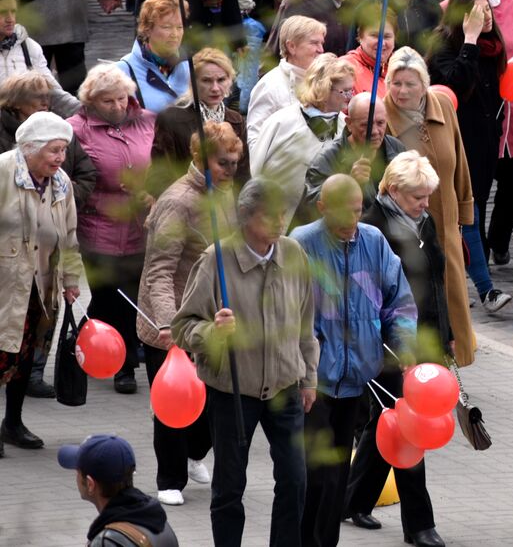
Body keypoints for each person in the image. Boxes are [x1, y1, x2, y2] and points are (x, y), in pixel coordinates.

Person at [172, 177, 318, 547]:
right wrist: (213, 333)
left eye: (282, 213)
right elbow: (182, 327)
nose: (279, 221)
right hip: (233, 390)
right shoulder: (215, 260)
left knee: (295, 479)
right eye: (269, 215)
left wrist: (309, 377)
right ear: (245, 217)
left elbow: (306, 322)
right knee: (229, 486)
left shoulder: (294, 254)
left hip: (285, 386)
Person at [290, 175, 416, 547]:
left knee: (336, 472)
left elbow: (399, 299)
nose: (351, 221)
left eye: (358, 212)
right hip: (312, 380)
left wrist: (403, 342)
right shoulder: (302, 245)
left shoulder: (373, 242)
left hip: (356, 377)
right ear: (322, 208)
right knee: (314, 474)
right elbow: (289, 314)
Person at [343, 153, 455, 546]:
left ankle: (352, 499)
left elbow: (436, 281)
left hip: (425, 338)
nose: (425, 204)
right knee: (411, 424)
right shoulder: (373, 229)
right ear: (392, 190)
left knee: (385, 421)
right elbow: (367, 296)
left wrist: (447, 333)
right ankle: (419, 524)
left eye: (427, 196)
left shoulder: (423, 221)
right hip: (390, 343)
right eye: (417, 197)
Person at [137, 122, 239, 506]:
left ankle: (195, 453)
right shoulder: (177, 202)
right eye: (223, 162)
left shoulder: (226, 194)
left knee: (216, 400)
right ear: (200, 158)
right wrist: (168, 321)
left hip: (215, 318)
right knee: (172, 402)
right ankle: (170, 478)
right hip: (173, 320)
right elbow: (158, 271)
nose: (231, 170)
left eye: (235, 162)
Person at [384, 47, 487, 334]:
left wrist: (465, 211)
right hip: (409, 230)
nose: (402, 91)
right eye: (396, 83)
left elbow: (460, 159)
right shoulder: (383, 118)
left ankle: (456, 359)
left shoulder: (442, 105)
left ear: (424, 85)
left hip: (449, 224)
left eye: (410, 84)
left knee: (452, 298)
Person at [69, 64, 158, 394]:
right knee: (110, 294)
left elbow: (161, 163)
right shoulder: (75, 129)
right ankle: (124, 367)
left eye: (122, 99)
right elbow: (73, 178)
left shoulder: (147, 121)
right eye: (108, 102)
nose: (118, 107)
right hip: (98, 227)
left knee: (132, 293)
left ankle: (86, 338)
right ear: (91, 101)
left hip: (140, 225)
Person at [448, 0, 513, 265]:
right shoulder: (449, 11)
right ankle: (480, 250)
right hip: (475, 115)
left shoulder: (512, 2)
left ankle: (499, 237)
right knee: (477, 190)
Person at [423, 0, 511, 311]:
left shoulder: (493, 48)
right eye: (476, 12)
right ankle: (486, 289)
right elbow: (454, 85)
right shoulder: (445, 46)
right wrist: (470, 40)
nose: (485, 16)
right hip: (455, 143)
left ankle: (461, 280)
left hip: (485, 143)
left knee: (475, 214)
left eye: (488, 10)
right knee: (466, 216)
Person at [0, 112, 81, 454]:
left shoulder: (62, 183)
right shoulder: (4, 172)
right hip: (6, 282)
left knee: (26, 353)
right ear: (30, 148)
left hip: (41, 282)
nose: (60, 158)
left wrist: (72, 279)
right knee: (1, 352)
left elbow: (71, 234)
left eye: (63, 150)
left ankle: (13, 423)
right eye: (54, 150)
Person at [249, 53, 353, 223]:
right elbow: (256, 170)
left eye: (351, 90)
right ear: (324, 88)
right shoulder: (282, 122)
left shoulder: (344, 126)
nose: (350, 97)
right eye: (345, 91)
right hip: (276, 220)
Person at [149, 48, 247, 198]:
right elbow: (159, 176)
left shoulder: (236, 120)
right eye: (206, 80)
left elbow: (243, 174)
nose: (215, 88)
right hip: (185, 206)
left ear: (230, 80)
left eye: (221, 80)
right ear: (193, 82)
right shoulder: (172, 119)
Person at [0, 0, 99, 92]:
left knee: (76, 83)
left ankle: (76, 112)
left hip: (73, 16)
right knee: (34, 83)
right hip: (36, 17)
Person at [299, 91, 405, 222]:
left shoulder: (396, 148)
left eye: (380, 123)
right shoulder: (329, 158)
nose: (374, 131)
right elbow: (311, 207)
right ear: (349, 123)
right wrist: (349, 184)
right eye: (365, 125)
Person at [58, 433, 179, 547]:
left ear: (90, 484)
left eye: (77, 472)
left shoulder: (108, 541)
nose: (76, 476)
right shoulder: (156, 519)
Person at [244, 15, 326, 147]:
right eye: (314, 43)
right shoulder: (269, 85)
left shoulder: (322, 82)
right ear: (291, 46)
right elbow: (255, 141)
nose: (321, 50)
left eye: (322, 43)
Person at [0, 0, 81, 115]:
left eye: (13, 11)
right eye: (3, 12)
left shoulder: (29, 47)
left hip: (26, 125)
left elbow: (53, 92)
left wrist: (87, 112)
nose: (10, 19)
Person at [116, 0, 191, 114]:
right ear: (147, 29)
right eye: (167, 27)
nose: (175, 34)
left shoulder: (192, 65)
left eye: (179, 27)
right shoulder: (123, 71)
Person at [344, 15, 394, 97]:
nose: (382, 43)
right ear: (360, 37)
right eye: (374, 35)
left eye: (387, 37)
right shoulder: (344, 68)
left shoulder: (401, 67)